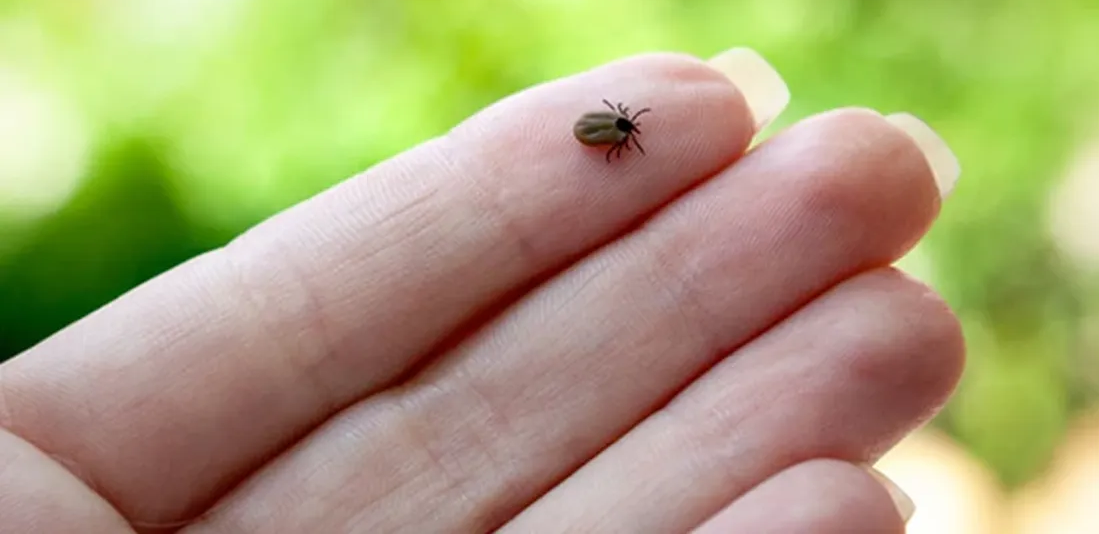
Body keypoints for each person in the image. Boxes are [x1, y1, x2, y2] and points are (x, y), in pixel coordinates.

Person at [0, 48, 964, 533]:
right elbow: (604, 132)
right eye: (622, 132)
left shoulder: (608, 131)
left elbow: (601, 130)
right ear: (621, 132)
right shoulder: (614, 133)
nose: (617, 133)